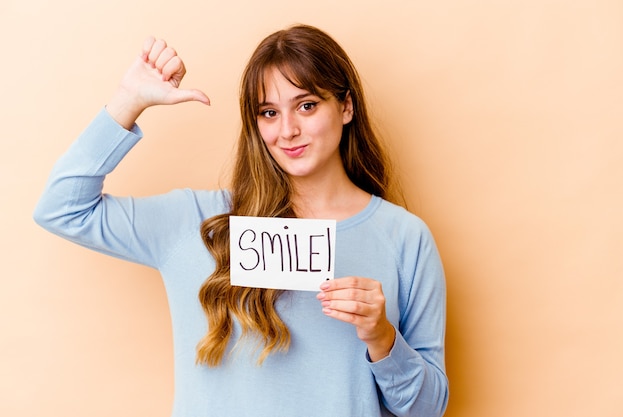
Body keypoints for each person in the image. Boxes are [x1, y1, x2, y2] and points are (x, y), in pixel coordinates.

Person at [34, 24, 448, 417]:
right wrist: (129, 99)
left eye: (306, 105)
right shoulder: (197, 223)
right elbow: (61, 208)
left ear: (345, 107)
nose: (287, 130)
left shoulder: (405, 239)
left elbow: (428, 408)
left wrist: (383, 338)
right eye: (268, 112)